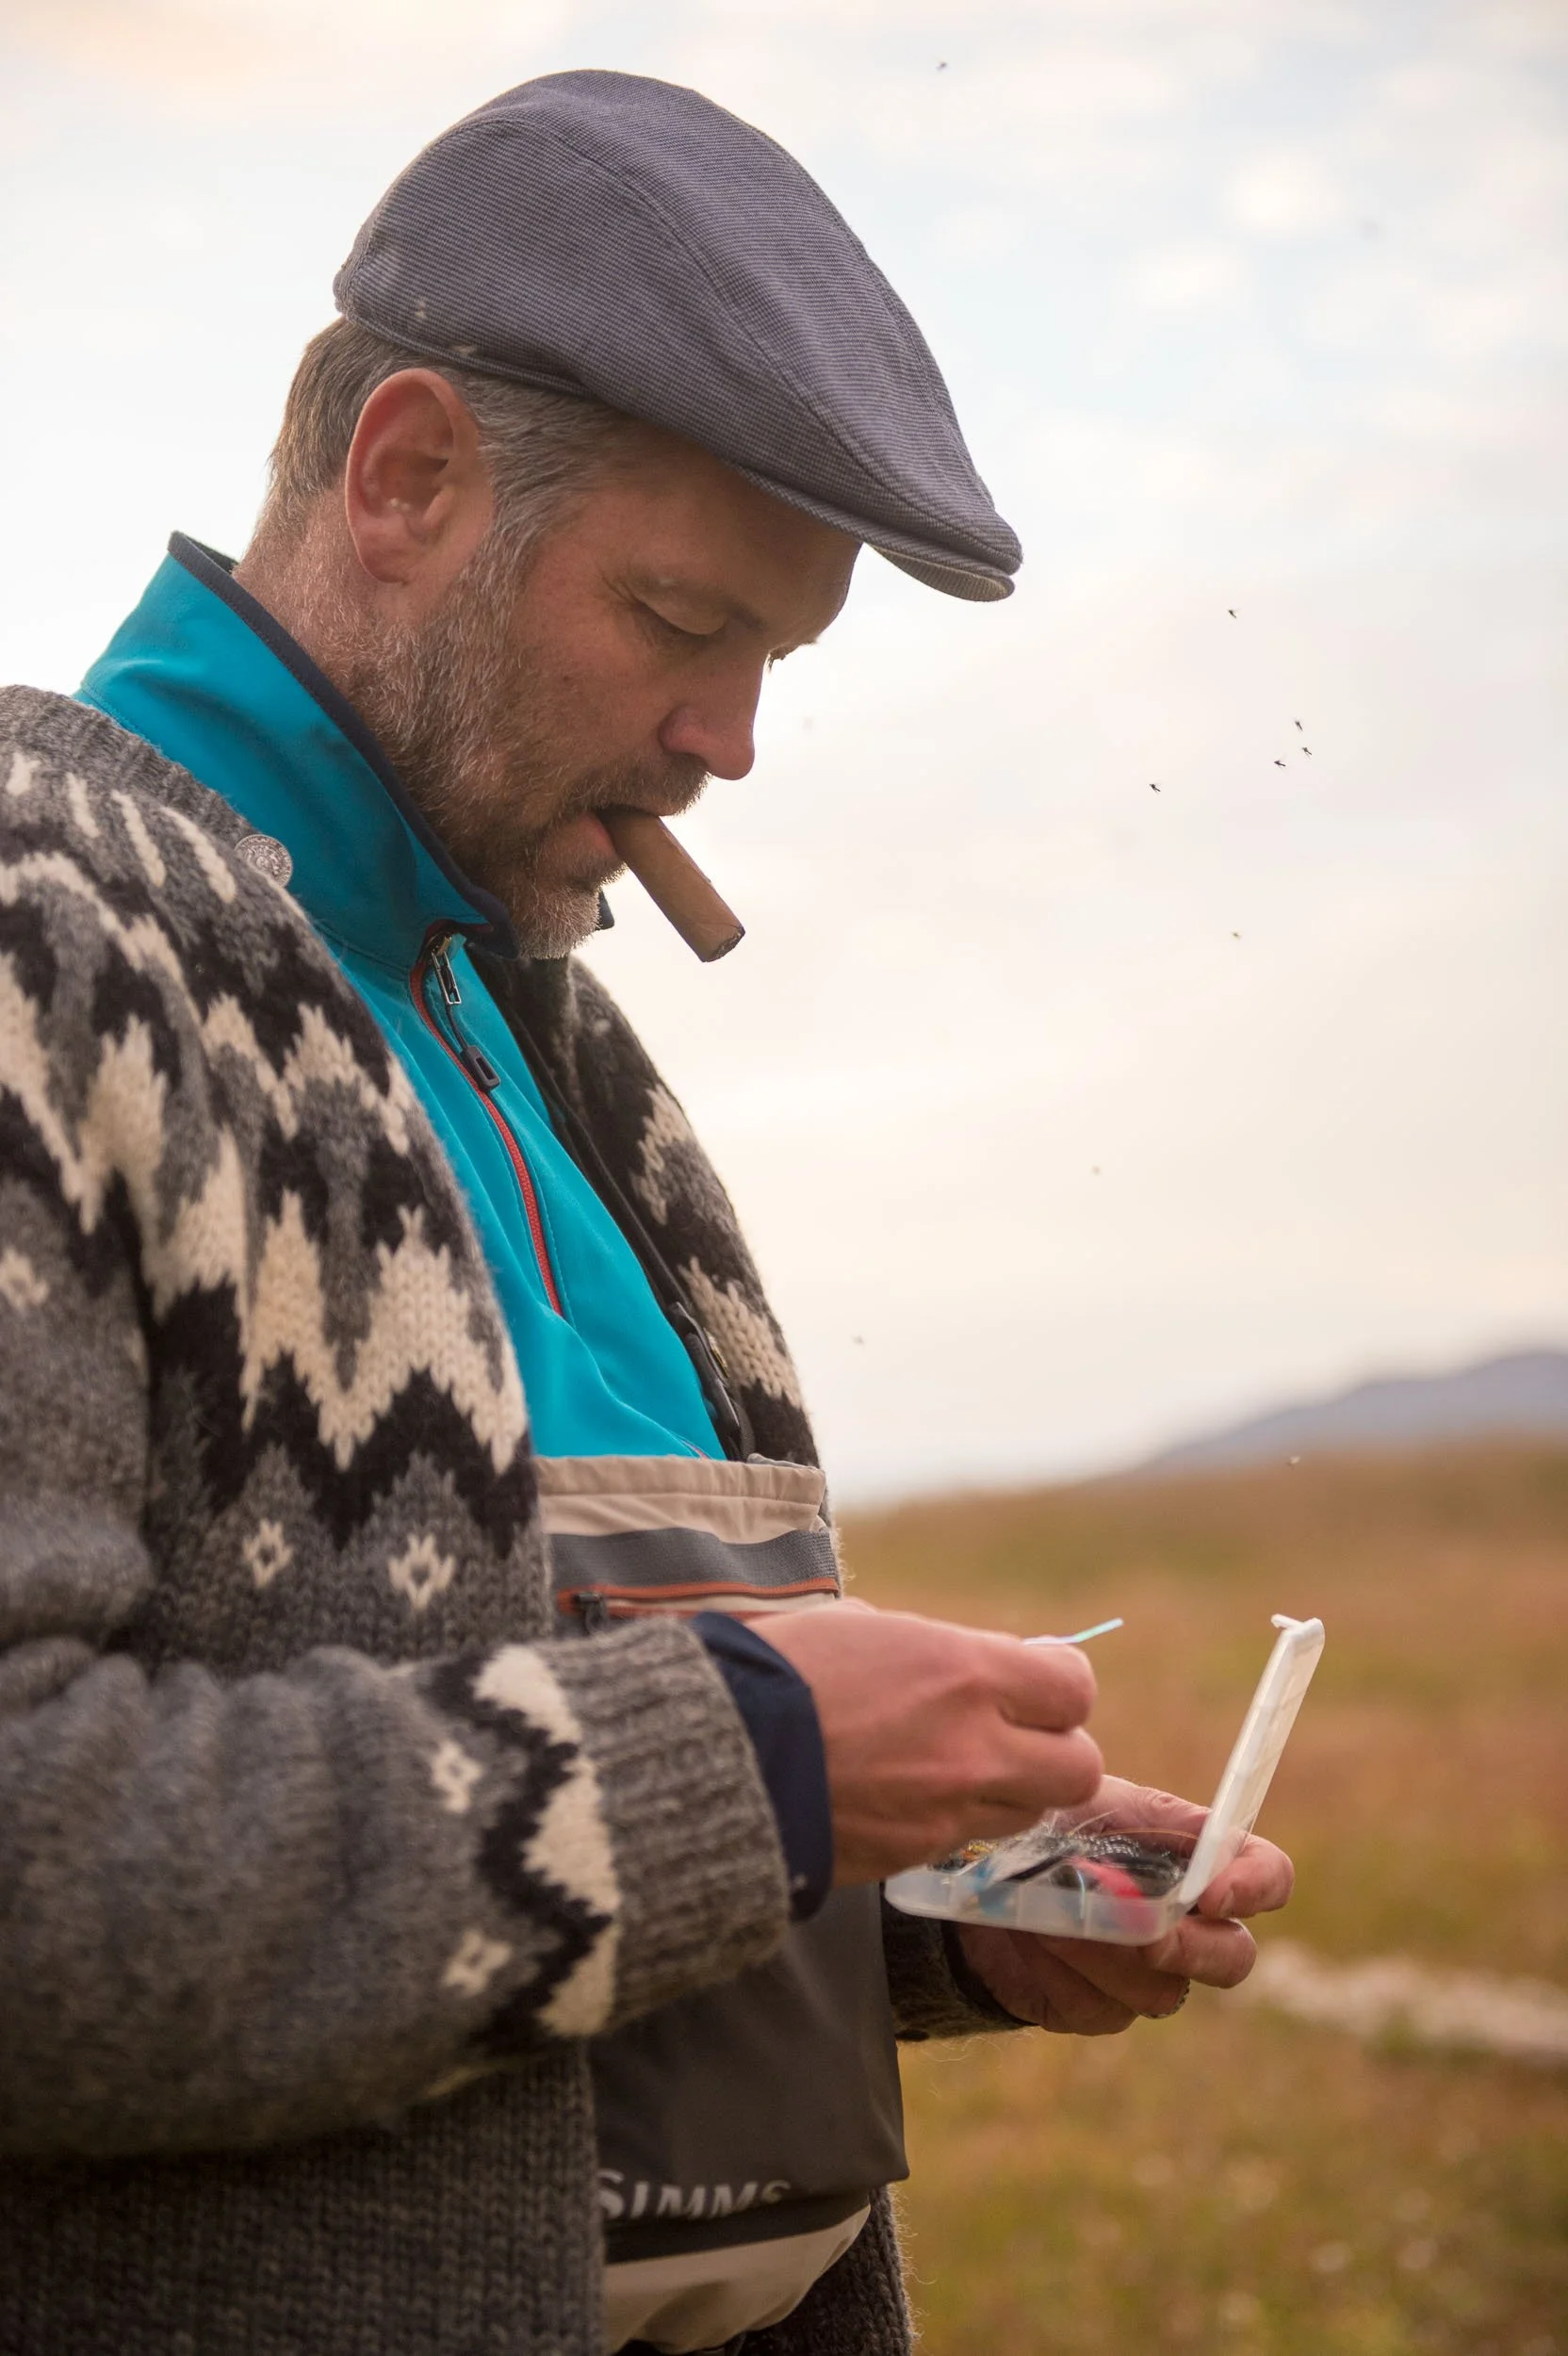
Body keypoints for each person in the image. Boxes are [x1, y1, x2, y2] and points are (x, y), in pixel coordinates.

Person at [0, 70, 1292, 2356]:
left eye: (773, 657)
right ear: (407, 475)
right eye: (680, 616)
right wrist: (762, 1759)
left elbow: (559, 1812)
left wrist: (922, 1898)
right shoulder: (46, 932)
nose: (729, 740)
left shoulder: (556, 1040)